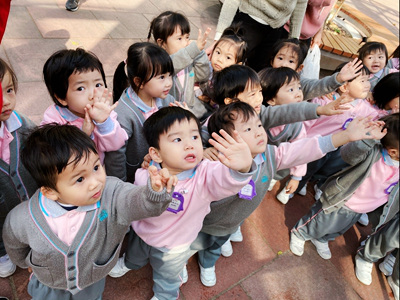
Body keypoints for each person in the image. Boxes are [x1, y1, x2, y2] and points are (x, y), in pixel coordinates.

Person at [190, 101, 383, 287]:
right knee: (189, 245)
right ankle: (179, 264)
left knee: (215, 247)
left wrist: (346, 136)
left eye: (258, 124)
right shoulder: (216, 164)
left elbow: (304, 149)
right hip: (205, 222)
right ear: (225, 140)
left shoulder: (269, 156)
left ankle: (207, 263)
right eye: (248, 129)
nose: (258, 131)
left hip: (233, 221)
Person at [3, 123, 177, 300]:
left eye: (95, 167)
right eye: (80, 179)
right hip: (49, 284)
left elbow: (137, 202)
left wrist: (154, 193)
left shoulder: (111, 194)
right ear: (50, 192)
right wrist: (26, 263)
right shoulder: (22, 219)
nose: (95, 182)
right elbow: (15, 246)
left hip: (91, 280)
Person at [108, 106, 256, 300]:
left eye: (194, 137)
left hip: (174, 246)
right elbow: (137, 200)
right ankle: (130, 263)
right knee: (135, 255)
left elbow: (224, 179)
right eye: (178, 139)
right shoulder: (147, 171)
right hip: (142, 233)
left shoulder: (204, 175)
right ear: (156, 154)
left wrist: (242, 168)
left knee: (168, 277)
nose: (189, 145)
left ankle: (164, 296)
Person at [290, 113, 396, 263]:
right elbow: (349, 155)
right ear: (393, 152)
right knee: (320, 219)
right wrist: (368, 140)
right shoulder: (374, 152)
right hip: (343, 198)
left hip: (362, 207)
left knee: (339, 227)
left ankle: (322, 238)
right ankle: (300, 233)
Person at [295, 63, 379, 211]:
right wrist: (301, 140)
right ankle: (297, 183)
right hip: (315, 144)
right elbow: (308, 123)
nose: (368, 85)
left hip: (335, 148)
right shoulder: (325, 101)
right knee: (308, 165)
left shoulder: (364, 108)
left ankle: (316, 182)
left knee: (330, 166)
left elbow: (375, 117)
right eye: (362, 81)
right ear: (344, 87)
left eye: (367, 80)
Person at [41, 48, 128, 164]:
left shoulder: (105, 113)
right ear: (61, 98)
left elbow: (117, 144)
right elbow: (53, 155)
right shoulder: (53, 119)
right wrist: (83, 135)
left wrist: (104, 122)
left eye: (98, 84)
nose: (93, 95)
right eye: (81, 88)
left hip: (98, 173)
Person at [105, 42, 176, 182]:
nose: (169, 82)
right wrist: (120, 186)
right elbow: (116, 156)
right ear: (139, 82)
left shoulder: (167, 100)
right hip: (135, 178)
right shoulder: (124, 114)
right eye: (161, 77)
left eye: (169, 75)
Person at [0, 57, 38, 279]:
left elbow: (41, 149)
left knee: (29, 224)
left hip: (28, 200)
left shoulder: (21, 123)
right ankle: (3, 252)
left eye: (10, 90)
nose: (5, 101)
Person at [208, 0, 308, 72]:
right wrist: (219, 36)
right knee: (228, 64)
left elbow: (301, 4)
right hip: (248, 19)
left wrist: (294, 39)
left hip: (276, 28)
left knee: (258, 73)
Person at [148, 11, 211, 119]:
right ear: (162, 43)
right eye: (179, 38)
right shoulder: (160, 62)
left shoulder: (189, 58)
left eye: (187, 37)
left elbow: (203, 76)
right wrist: (193, 50)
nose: (186, 42)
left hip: (189, 107)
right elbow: (173, 64)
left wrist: (199, 53)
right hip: (168, 112)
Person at [259, 67, 308, 204]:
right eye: (291, 90)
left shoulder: (297, 126)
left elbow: (300, 150)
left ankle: (272, 179)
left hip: (277, 164)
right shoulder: (262, 116)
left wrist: (296, 177)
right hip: (255, 160)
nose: (298, 93)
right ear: (271, 100)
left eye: (299, 88)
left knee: (278, 172)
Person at [269, 38, 364, 100]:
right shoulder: (264, 77)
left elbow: (317, 86)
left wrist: (339, 78)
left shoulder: (300, 84)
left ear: (299, 68)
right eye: (280, 58)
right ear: (272, 60)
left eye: (291, 61)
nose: (284, 64)